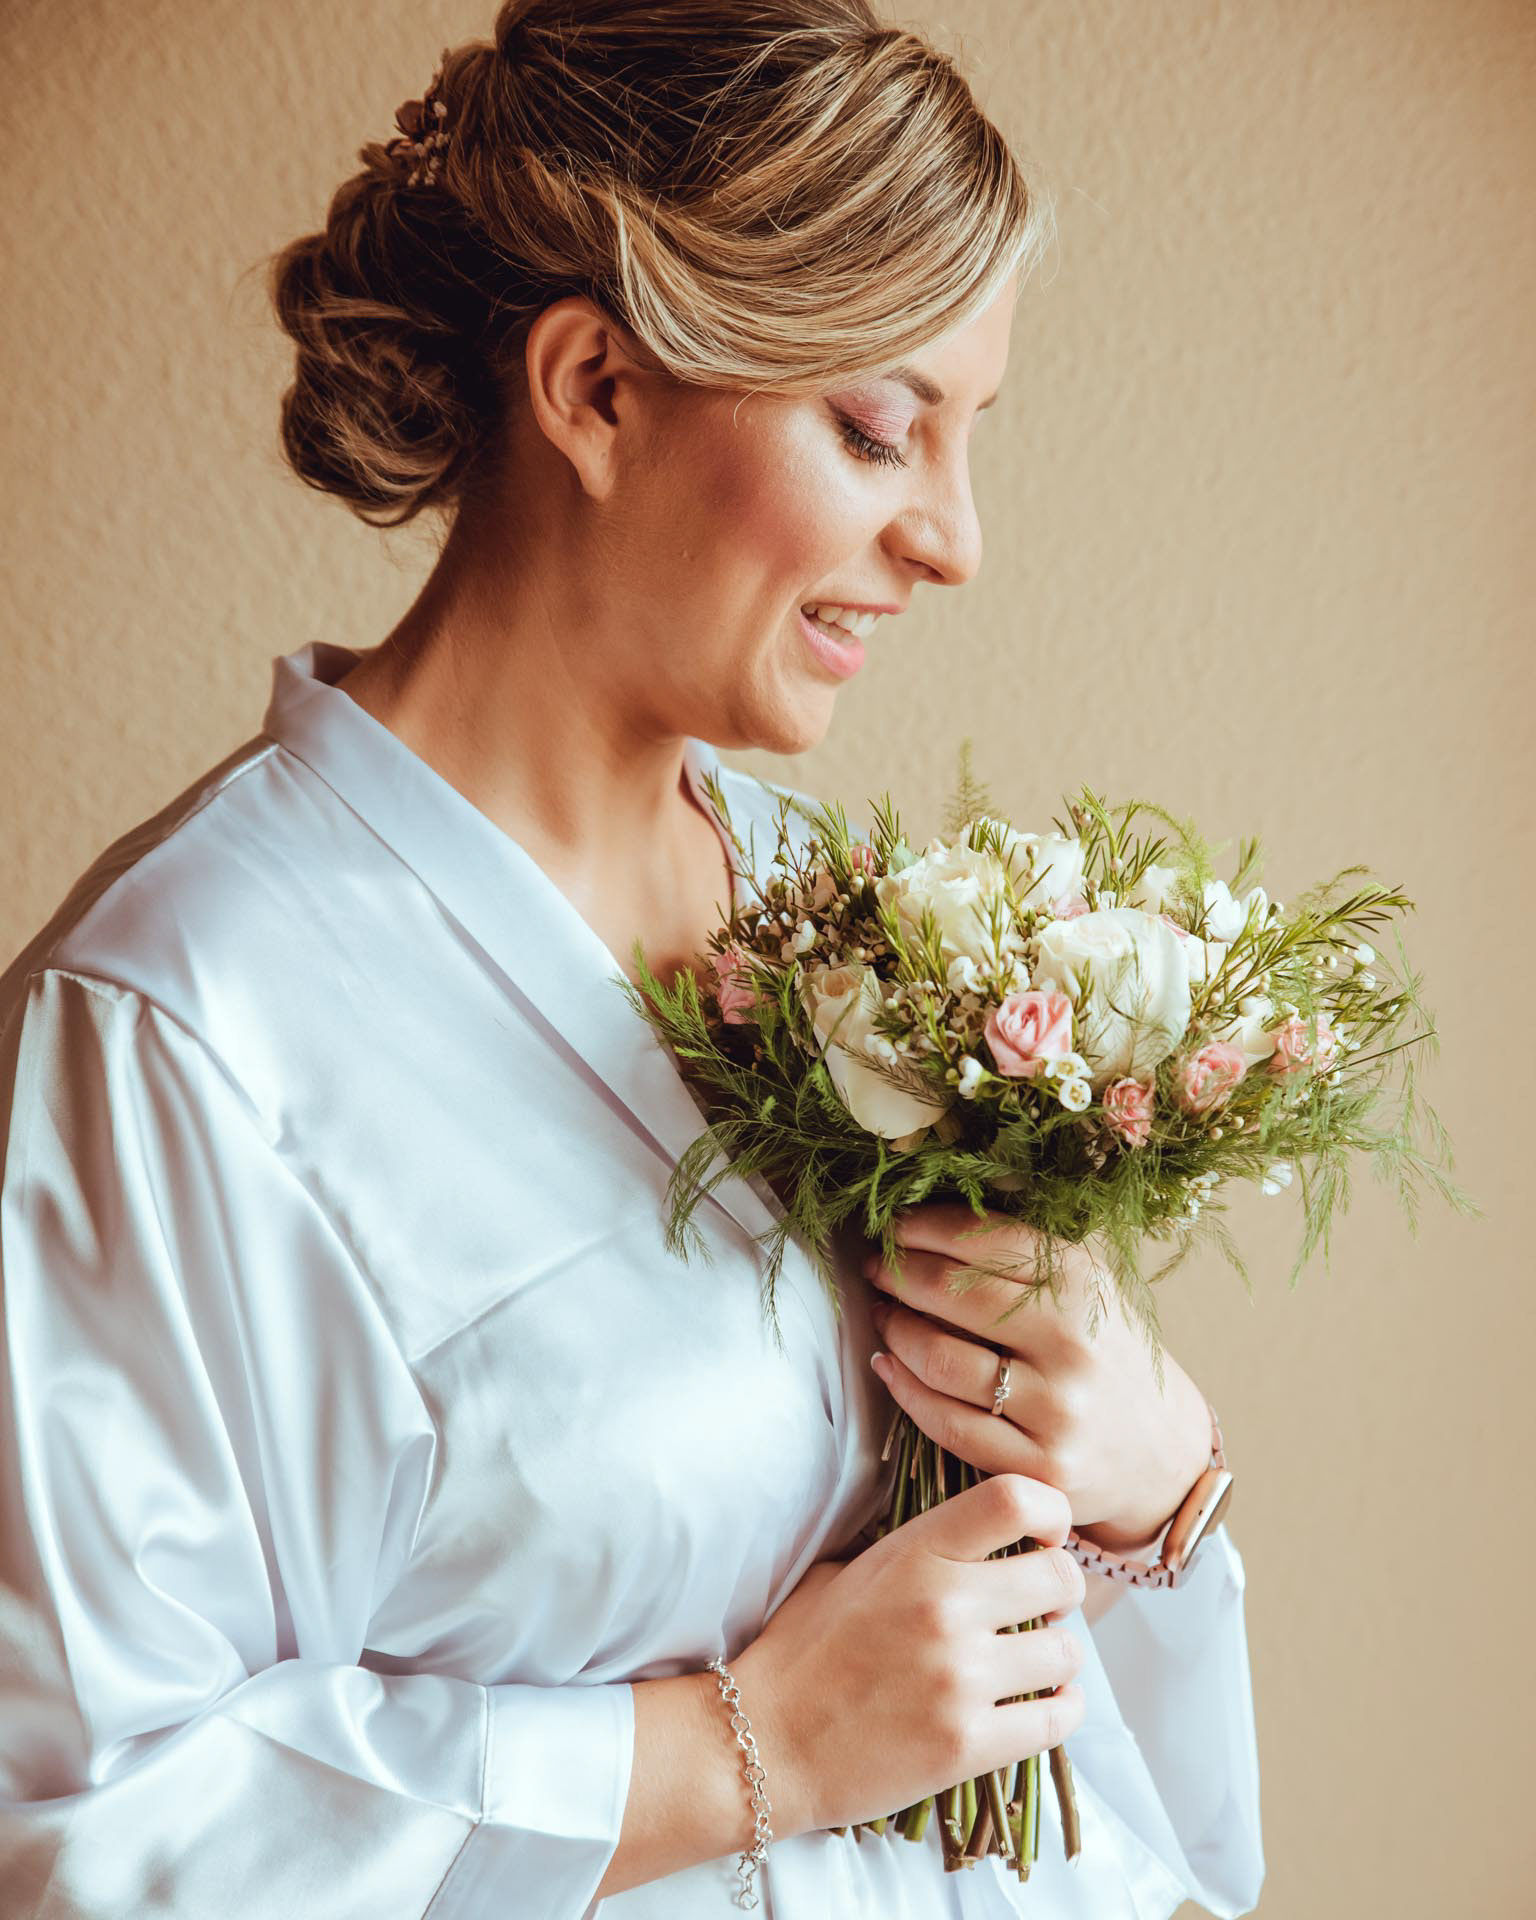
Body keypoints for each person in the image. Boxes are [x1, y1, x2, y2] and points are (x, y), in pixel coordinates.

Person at [0, 3, 1265, 1916]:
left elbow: (1013, 1696)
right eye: (878, 430)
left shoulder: (841, 912)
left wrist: (1146, 1480)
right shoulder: (181, 1030)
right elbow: (80, 1832)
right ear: (595, 389)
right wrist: (751, 1749)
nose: (953, 539)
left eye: (969, 437)